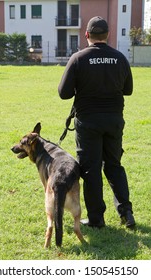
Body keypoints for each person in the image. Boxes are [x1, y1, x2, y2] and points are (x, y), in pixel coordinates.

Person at [58, 16, 136, 229]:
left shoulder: (78, 58)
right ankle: (126, 213)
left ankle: (96, 219)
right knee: (114, 166)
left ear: (87, 35)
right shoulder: (120, 58)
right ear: (108, 35)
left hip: (89, 122)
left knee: (91, 170)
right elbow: (128, 90)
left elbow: (63, 93)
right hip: (114, 121)